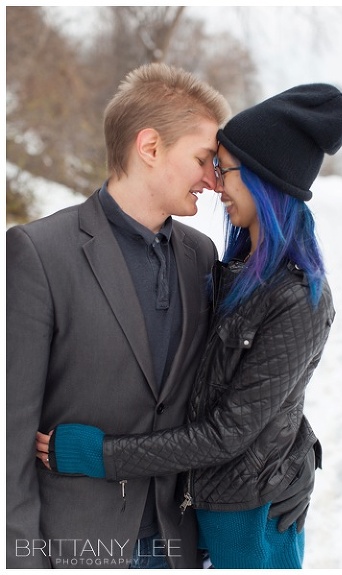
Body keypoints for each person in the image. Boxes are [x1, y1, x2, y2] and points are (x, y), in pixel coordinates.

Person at [34, 83, 342, 569]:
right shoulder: (231, 268)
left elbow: (230, 428)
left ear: (267, 180)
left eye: (224, 169)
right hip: (199, 519)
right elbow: (241, 390)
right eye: (210, 164)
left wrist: (98, 454)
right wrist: (300, 449)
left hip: (249, 526)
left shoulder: (296, 294)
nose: (215, 183)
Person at [6, 62, 230, 568]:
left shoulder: (201, 255)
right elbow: (9, 430)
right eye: (203, 159)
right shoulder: (38, 253)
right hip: (74, 549)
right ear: (149, 148)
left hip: (178, 545)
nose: (213, 180)